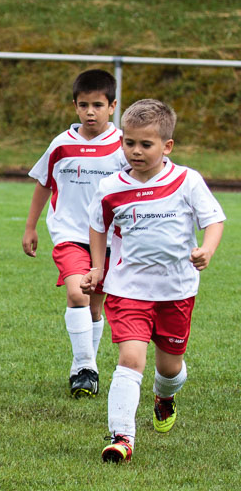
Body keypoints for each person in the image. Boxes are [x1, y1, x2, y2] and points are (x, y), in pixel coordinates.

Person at [81, 99, 225, 463]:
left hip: (176, 290)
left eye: (146, 144)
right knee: (130, 359)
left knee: (170, 368)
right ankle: (122, 438)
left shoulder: (186, 180)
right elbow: (98, 227)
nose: (135, 151)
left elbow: (214, 219)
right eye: (129, 143)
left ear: (167, 146)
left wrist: (206, 249)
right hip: (128, 288)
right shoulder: (111, 186)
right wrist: (98, 268)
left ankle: (165, 396)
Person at [23, 69, 127, 398]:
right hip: (69, 234)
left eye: (98, 105)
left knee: (95, 309)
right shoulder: (62, 144)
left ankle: (84, 366)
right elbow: (44, 182)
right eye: (84, 105)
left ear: (112, 106)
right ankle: (85, 367)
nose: (90, 112)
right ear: (75, 106)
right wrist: (31, 226)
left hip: (110, 240)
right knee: (77, 294)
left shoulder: (124, 146)